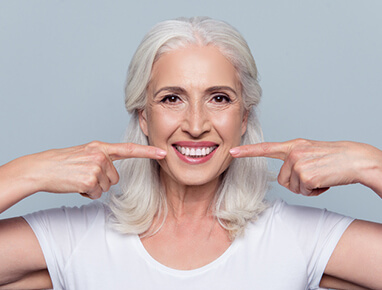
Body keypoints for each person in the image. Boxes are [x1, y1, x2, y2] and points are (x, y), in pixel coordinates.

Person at [0, 16, 381, 290]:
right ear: (143, 116)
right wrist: (27, 173)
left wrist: (370, 164)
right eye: (171, 99)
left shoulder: (296, 239)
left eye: (219, 98)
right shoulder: (76, 239)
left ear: (244, 117)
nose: (196, 124)